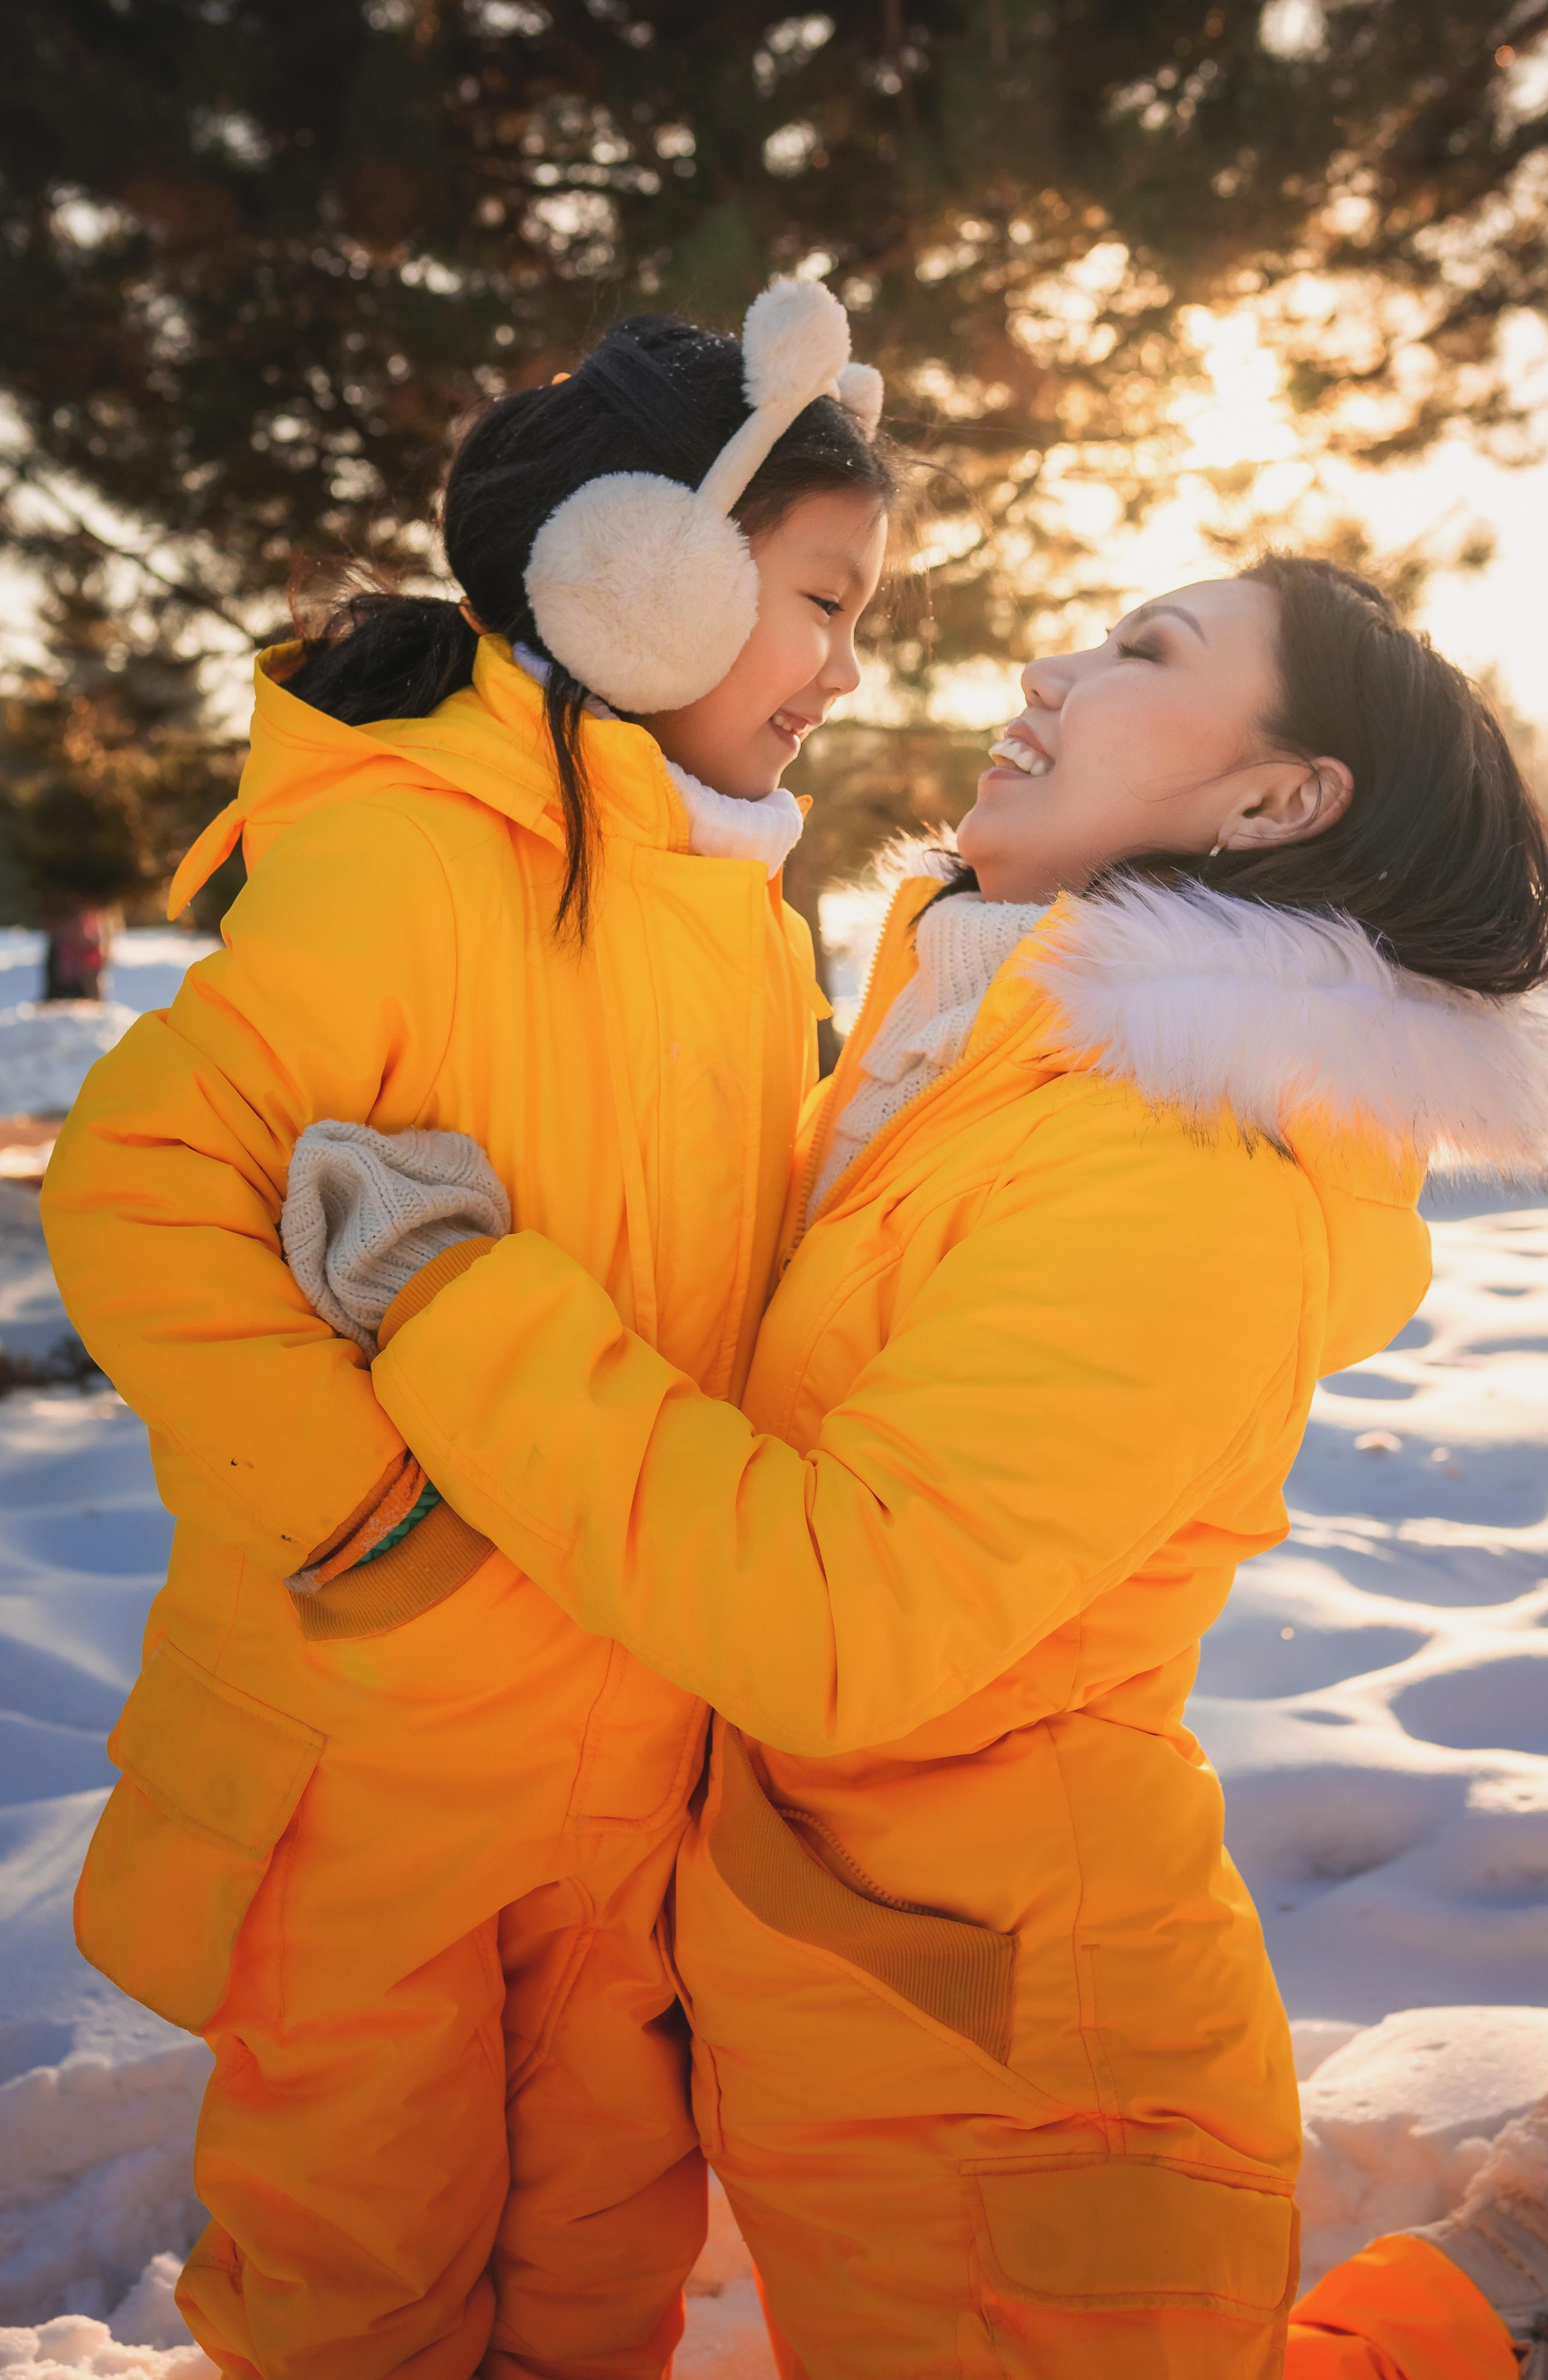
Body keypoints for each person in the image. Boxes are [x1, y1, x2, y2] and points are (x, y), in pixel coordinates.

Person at [314, 558, 1548, 2375]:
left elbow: (848, 1622)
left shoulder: (1183, 1172)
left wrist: (453, 1302)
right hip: (868, 1992)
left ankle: (1505, 2303)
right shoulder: (982, 1060)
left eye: (1145, 650)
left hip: (1029, 2093)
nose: (1050, 664)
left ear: (1277, 801)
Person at [42, 280, 894, 2380]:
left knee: (599, 2258)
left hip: (632, 1770)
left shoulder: (736, 916)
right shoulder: (410, 863)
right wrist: (375, 1523)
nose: (848, 667)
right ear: (649, 577)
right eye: (822, 600)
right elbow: (144, 1188)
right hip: (382, 1768)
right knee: (365, 2275)